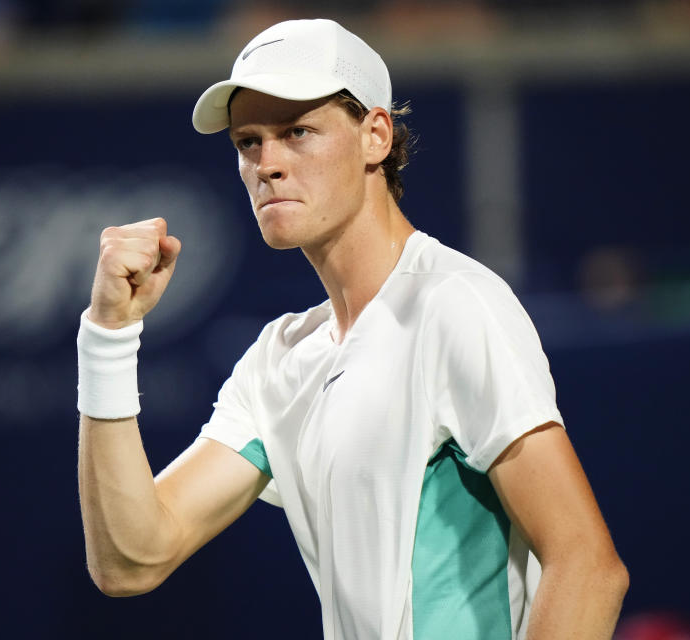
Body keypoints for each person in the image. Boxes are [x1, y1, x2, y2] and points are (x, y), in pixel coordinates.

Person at [76, 18, 628, 640]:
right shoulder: (279, 360)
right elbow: (131, 560)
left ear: (375, 136)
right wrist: (108, 339)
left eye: (298, 132)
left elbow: (587, 566)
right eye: (248, 142)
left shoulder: (453, 305)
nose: (268, 165)